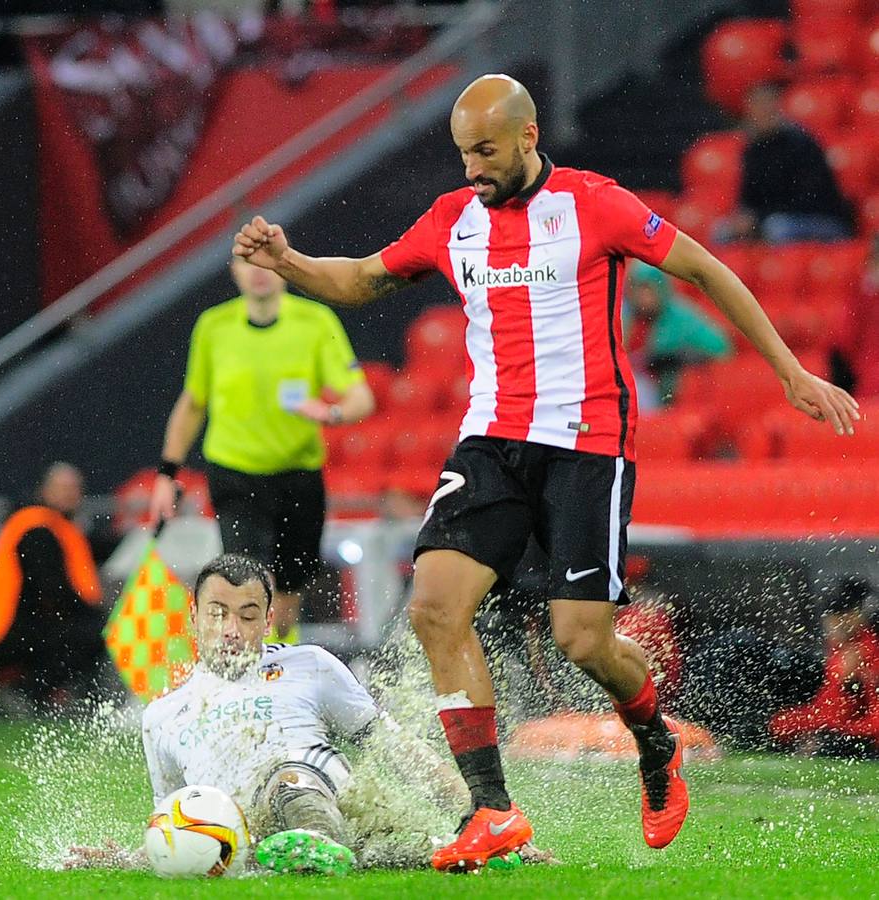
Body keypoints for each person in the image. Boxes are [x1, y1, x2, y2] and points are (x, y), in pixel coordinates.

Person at [231, 73, 860, 871]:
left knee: (582, 639)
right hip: (491, 440)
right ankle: (492, 809)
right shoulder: (454, 218)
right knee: (434, 606)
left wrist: (789, 374)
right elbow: (361, 278)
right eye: (463, 154)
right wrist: (288, 260)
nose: (472, 170)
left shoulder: (594, 202)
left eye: (486, 151)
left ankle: (653, 742)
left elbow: (704, 270)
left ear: (528, 137)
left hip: (586, 443)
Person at [64, 552, 477, 875]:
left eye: (247, 615)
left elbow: (392, 746)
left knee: (287, 779)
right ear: (193, 616)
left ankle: (319, 841)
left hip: (316, 788)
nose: (231, 629)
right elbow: (177, 814)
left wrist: (474, 813)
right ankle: (305, 852)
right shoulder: (162, 716)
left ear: (268, 620)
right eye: (217, 613)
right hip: (243, 832)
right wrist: (129, 858)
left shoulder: (310, 664)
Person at [149, 257, 375, 645]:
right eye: (246, 261)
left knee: (288, 590)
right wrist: (167, 475)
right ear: (233, 270)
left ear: (285, 266)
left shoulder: (315, 322)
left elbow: (362, 397)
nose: (258, 270)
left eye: (267, 260)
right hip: (234, 472)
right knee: (243, 577)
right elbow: (193, 403)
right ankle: (242, 670)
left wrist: (331, 412)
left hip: (297, 474)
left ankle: (278, 661)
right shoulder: (213, 326)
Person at [0, 463, 106, 715]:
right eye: (62, 488)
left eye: (74, 488)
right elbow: (51, 588)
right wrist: (93, 615)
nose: (69, 494)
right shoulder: (37, 528)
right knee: (91, 636)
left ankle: (27, 694)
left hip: (9, 625)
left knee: (84, 632)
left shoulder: (52, 525)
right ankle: (25, 693)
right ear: (44, 491)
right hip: (2, 630)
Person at [715, 82, 853, 244]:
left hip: (821, 220)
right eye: (756, 107)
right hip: (771, 218)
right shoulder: (753, 149)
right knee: (721, 231)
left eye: (766, 105)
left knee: (777, 228)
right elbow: (748, 198)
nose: (761, 112)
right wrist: (743, 218)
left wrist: (758, 218)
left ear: (778, 107)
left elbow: (808, 200)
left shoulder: (801, 144)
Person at [770, 578, 879, 758]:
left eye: (835, 619)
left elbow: (856, 706)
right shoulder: (840, 646)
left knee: (837, 740)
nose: (830, 627)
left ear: (854, 615)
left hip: (861, 725)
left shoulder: (868, 647)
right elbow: (830, 705)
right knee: (778, 723)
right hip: (839, 720)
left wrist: (850, 681)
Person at [623, 260, 732, 409]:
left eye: (648, 289)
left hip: (676, 386)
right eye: (639, 290)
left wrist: (679, 355)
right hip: (643, 382)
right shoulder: (627, 317)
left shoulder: (679, 314)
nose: (643, 297)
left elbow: (722, 349)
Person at [830, 233, 879, 400]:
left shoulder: (864, 296)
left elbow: (843, 341)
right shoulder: (862, 295)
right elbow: (843, 341)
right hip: (868, 384)